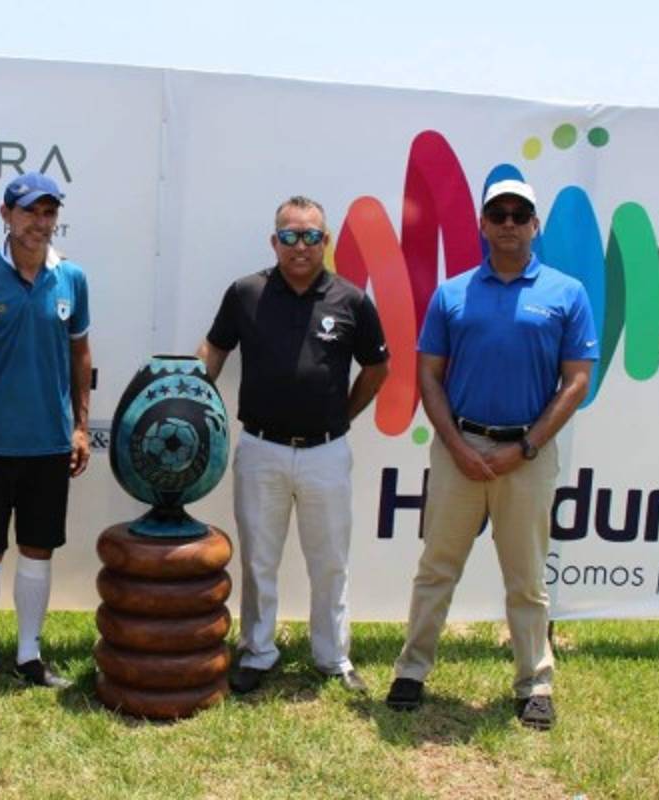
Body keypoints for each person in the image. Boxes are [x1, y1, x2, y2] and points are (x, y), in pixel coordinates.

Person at [385, 179, 599, 731]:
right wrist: (456, 444)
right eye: (497, 214)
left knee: (527, 579)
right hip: (461, 446)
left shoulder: (566, 293)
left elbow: (576, 382)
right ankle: (411, 671)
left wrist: (526, 446)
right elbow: (429, 376)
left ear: (534, 225)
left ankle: (535, 683)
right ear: (483, 224)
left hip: (527, 453)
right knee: (437, 568)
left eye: (518, 214)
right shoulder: (452, 293)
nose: (508, 223)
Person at [197, 195, 389, 695]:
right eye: (289, 236)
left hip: (327, 451)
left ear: (326, 242)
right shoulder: (246, 293)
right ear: (273, 241)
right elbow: (215, 348)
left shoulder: (352, 300)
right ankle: (258, 651)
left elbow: (377, 369)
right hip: (261, 448)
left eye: (310, 236)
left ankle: (332, 656)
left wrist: (341, 416)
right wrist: (196, 394)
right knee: (259, 557)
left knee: (330, 560)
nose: (299, 246)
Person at [0, 171, 91, 701]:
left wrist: (79, 425)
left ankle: (29, 653)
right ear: (5, 215)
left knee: (38, 551)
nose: (40, 222)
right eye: (30, 212)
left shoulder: (71, 277)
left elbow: (81, 353)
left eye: (49, 212)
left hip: (49, 444)